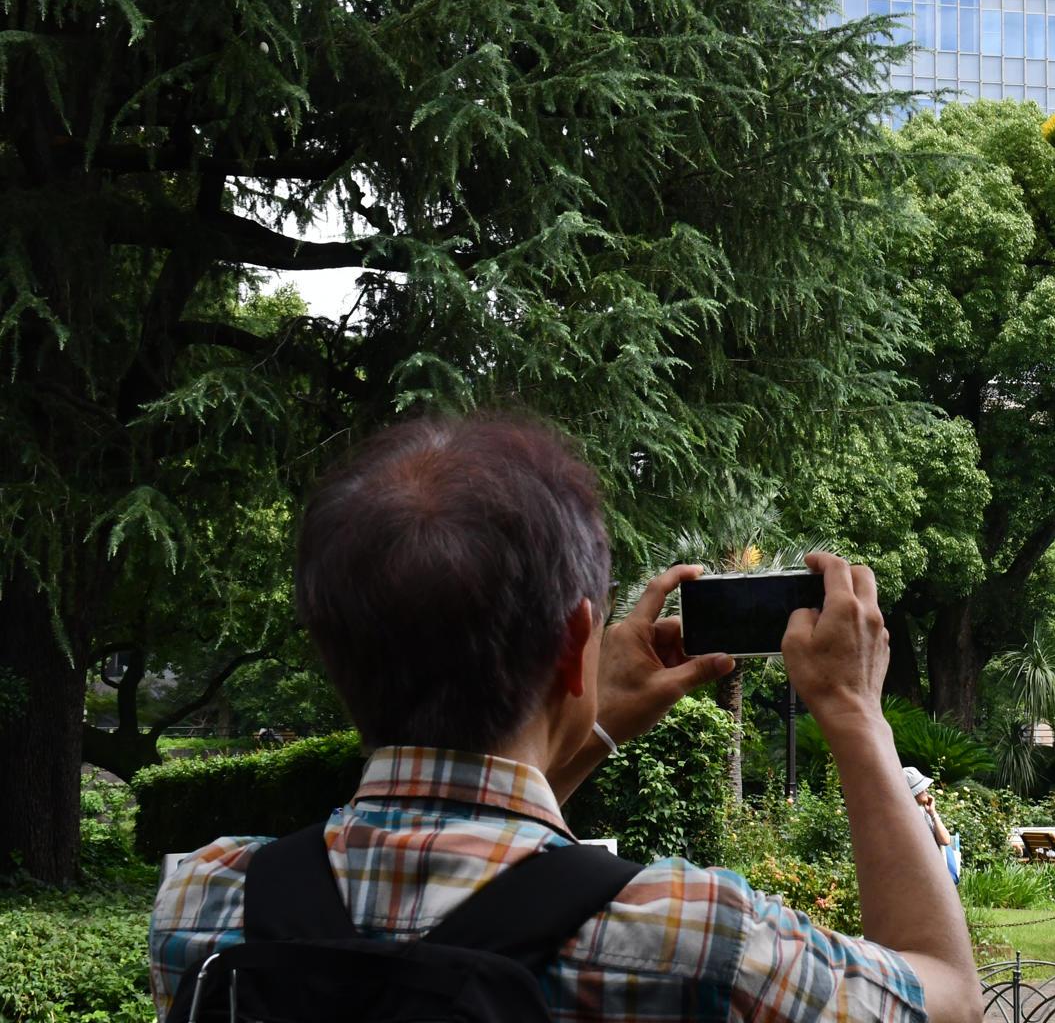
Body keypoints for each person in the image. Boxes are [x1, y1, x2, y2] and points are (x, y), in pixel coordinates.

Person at [150, 413, 983, 1023]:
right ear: (574, 638)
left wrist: (580, 729)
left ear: (331, 649)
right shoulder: (698, 938)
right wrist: (852, 713)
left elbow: (443, 912)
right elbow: (945, 998)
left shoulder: (206, 904)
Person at [904, 767, 960, 884]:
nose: (926, 790)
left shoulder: (924, 811)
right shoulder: (906, 818)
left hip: (936, 874)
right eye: (922, 789)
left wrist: (933, 813)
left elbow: (945, 840)